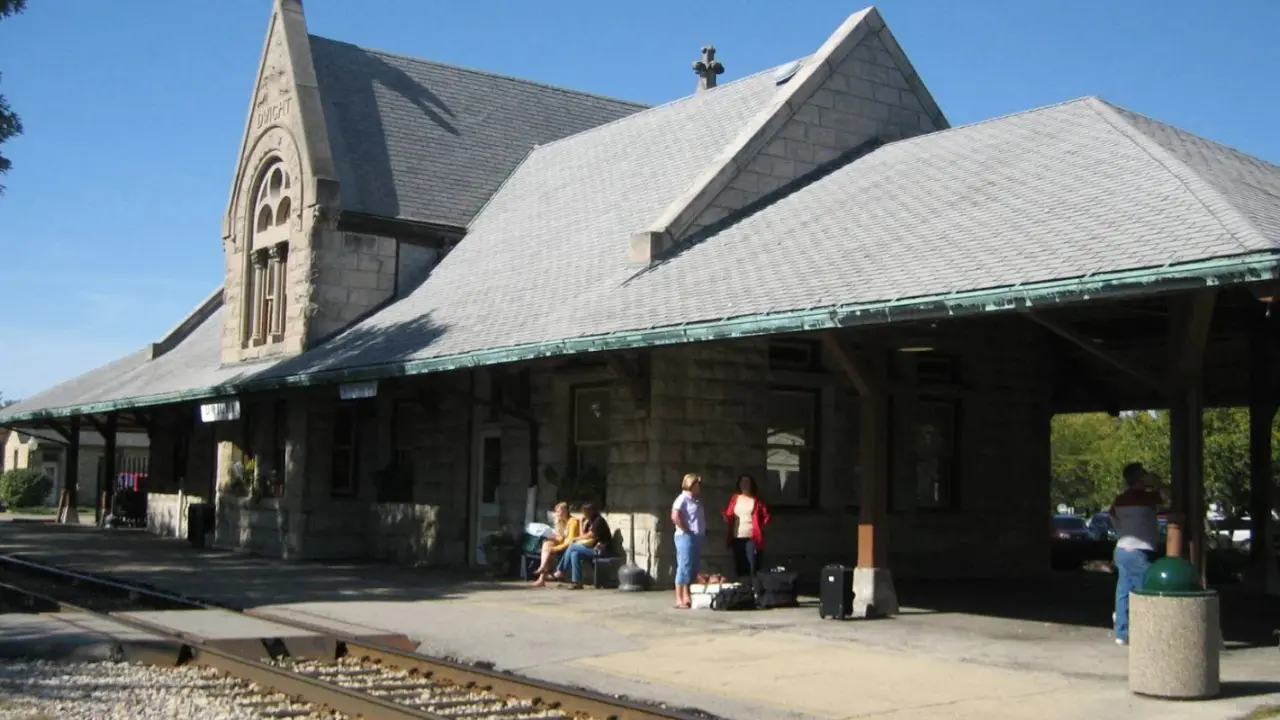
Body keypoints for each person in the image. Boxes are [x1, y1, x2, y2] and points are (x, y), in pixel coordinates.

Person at [1108, 462, 1170, 646]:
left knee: (1124, 592)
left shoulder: (1120, 500)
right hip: (1140, 549)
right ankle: (1147, 634)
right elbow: (1171, 498)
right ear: (1140, 478)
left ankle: (1122, 632)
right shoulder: (1147, 498)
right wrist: (1158, 483)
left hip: (1122, 548)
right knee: (1146, 592)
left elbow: (1113, 518)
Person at [553, 502, 611, 590]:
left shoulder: (599, 521)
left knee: (572, 546)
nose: (584, 514)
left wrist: (575, 539)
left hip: (600, 551)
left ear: (591, 511)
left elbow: (590, 535)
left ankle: (561, 570)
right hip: (590, 549)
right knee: (574, 554)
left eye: (585, 511)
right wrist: (580, 522)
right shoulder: (589, 521)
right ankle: (577, 582)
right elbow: (582, 535)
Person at [723, 474, 771, 579]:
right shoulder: (735, 498)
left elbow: (767, 516)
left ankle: (753, 590)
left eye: (747, 482)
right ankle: (743, 591)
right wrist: (725, 517)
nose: (744, 484)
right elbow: (729, 514)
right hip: (737, 537)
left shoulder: (757, 500)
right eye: (742, 482)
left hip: (751, 537)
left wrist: (760, 528)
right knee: (740, 567)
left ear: (752, 484)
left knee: (752, 566)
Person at [671, 473, 706, 609]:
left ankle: (687, 595)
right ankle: (679, 598)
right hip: (685, 536)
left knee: (692, 567)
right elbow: (675, 516)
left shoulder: (695, 500)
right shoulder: (682, 499)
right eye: (697, 484)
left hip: (696, 536)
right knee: (684, 566)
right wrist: (685, 529)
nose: (699, 487)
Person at [532, 502, 579, 587]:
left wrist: (555, 549)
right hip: (563, 546)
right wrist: (553, 538)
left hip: (569, 548)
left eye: (558, 511)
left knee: (548, 551)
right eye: (556, 512)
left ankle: (541, 576)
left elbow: (569, 542)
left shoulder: (573, 522)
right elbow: (561, 538)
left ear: (565, 511)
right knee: (546, 544)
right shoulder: (561, 522)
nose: (557, 514)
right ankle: (542, 573)